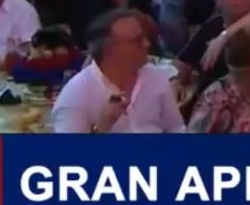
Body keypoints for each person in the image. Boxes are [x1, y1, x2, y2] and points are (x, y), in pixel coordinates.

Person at [51, 9, 185, 133]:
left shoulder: (155, 77)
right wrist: (100, 129)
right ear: (109, 51)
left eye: (145, 37)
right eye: (137, 40)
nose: (147, 44)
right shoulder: (76, 95)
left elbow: (176, 128)